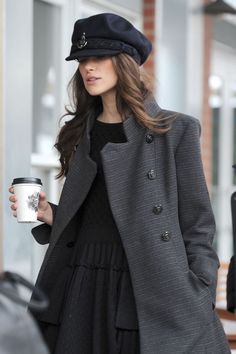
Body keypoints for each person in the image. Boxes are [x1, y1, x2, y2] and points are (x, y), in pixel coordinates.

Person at [9, 13, 230, 354]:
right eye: (82, 60)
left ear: (125, 63)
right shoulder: (79, 133)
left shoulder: (175, 131)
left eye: (99, 58)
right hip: (79, 281)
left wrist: (198, 286)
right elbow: (97, 215)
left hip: (145, 283)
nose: (88, 68)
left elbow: (198, 225)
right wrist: (52, 214)